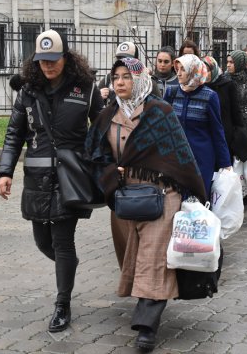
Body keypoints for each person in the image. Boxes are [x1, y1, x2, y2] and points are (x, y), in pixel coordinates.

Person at [85, 57, 206, 352]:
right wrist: (113, 174)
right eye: (116, 78)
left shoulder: (160, 112)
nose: (120, 82)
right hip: (125, 199)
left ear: (140, 79)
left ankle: (146, 326)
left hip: (162, 196)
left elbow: (180, 154)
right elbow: (94, 156)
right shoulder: (107, 115)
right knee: (133, 256)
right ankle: (145, 303)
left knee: (153, 258)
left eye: (127, 76)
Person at [0, 29, 103, 333]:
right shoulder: (28, 91)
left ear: (65, 59)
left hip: (71, 177)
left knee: (62, 240)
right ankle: (66, 266)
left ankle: (62, 304)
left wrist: (103, 164)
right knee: (43, 242)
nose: (48, 66)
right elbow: (14, 134)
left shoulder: (86, 88)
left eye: (53, 60)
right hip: (38, 178)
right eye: (43, 61)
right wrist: (5, 172)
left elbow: (104, 129)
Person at [164, 54, 232, 197]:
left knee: (199, 201)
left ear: (193, 70)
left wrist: (225, 163)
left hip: (202, 158)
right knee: (176, 201)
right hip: (177, 157)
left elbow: (217, 131)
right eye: (178, 68)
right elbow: (164, 127)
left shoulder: (209, 96)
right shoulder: (172, 92)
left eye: (183, 69)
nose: (179, 72)